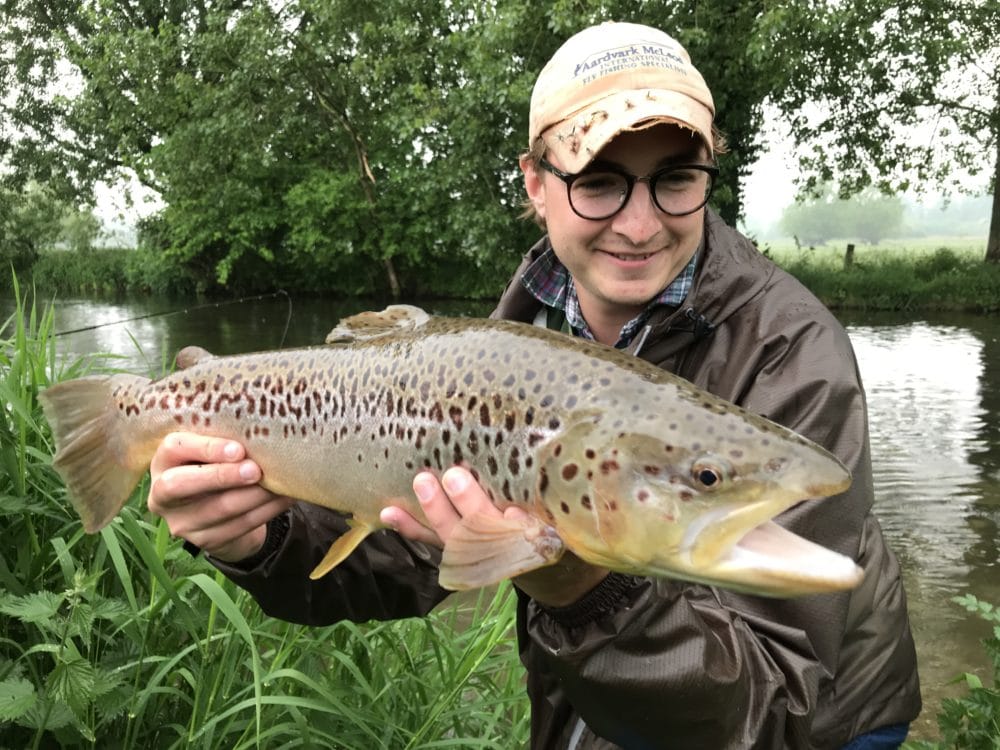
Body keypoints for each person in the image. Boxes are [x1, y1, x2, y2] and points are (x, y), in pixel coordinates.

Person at [146, 21, 921, 749]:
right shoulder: (516, 332)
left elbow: (768, 711)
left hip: (820, 723)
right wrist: (263, 540)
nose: (641, 223)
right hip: (602, 698)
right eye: (600, 181)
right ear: (536, 183)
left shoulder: (795, 349)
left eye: (675, 179)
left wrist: (578, 584)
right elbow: (411, 552)